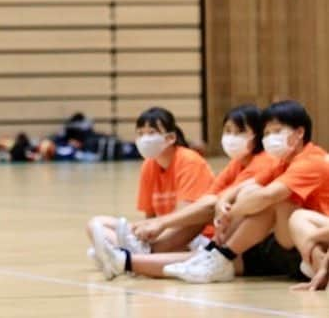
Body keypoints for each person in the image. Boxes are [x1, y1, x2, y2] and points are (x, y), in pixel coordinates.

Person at [92, 104, 275, 279]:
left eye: (240, 132)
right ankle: (128, 257)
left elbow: (205, 208)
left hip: (229, 240)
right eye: (228, 131)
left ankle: (129, 256)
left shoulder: (261, 162)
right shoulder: (235, 164)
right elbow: (209, 198)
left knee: (205, 219)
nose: (231, 137)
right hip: (218, 236)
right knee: (96, 223)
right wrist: (150, 227)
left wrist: (160, 224)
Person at [164, 100, 329, 284]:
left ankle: (219, 256)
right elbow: (243, 188)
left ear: (299, 133)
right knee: (252, 192)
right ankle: (216, 256)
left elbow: (268, 196)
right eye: (266, 133)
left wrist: (230, 214)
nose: (269, 138)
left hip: (317, 234)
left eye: (276, 131)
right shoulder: (282, 161)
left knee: (274, 199)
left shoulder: (311, 161)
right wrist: (223, 203)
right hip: (296, 238)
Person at [87, 107, 214, 267]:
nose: (145, 138)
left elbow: (186, 217)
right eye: (140, 134)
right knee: (96, 224)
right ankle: (129, 253)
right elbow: (150, 217)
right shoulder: (149, 165)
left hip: (195, 236)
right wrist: (145, 233)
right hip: (161, 233)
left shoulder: (189, 161)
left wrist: (157, 227)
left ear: (170, 138)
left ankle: (121, 253)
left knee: (185, 224)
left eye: (152, 132)